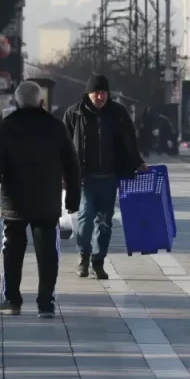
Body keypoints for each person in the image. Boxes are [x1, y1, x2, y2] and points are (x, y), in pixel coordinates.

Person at [0, 81, 81, 318]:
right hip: (47, 201)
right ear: (42, 102)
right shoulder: (56, 128)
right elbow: (72, 166)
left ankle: (13, 301)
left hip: (14, 202)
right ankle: (45, 304)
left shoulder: (5, 128)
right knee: (48, 253)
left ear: (15, 103)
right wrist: (73, 199)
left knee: (12, 251)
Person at [63, 75, 146, 280]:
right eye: (96, 92)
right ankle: (83, 256)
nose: (100, 97)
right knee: (85, 219)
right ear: (88, 93)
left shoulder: (118, 113)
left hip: (110, 177)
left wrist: (137, 162)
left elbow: (129, 140)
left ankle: (98, 262)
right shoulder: (74, 113)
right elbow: (63, 144)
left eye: (103, 93)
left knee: (105, 222)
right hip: (85, 178)